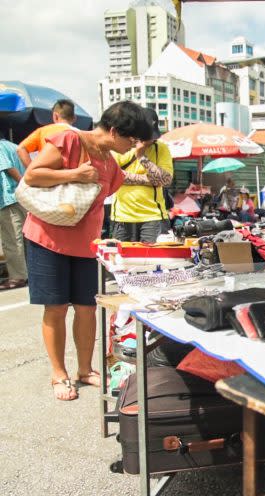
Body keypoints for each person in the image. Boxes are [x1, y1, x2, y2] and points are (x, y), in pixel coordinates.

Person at [22, 101, 151, 401]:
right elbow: (32, 175)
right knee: (55, 307)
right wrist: (73, 176)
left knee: (87, 308)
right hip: (47, 237)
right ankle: (58, 374)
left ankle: (84, 370)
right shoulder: (70, 139)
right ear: (114, 131)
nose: (131, 146)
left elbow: (113, 188)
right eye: (130, 140)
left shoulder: (111, 161)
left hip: (86, 244)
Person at [110, 107, 173, 242]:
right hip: (122, 217)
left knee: (154, 261)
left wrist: (141, 156)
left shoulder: (160, 148)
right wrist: (149, 180)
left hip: (153, 217)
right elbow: (113, 175)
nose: (150, 141)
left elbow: (166, 180)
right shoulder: (120, 146)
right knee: (123, 261)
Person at [0, 132, 27, 289]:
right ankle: (26, 273)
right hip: (22, 199)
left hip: (8, 198)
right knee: (24, 239)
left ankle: (17, 277)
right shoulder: (16, 147)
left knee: (12, 240)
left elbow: (8, 168)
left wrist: (22, 183)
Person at [17, 99, 77, 167]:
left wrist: (32, 170)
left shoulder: (42, 131)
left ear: (55, 116)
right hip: (72, 175)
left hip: (45, 174)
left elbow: (20, 149)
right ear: (74, 118)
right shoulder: (81, 134)